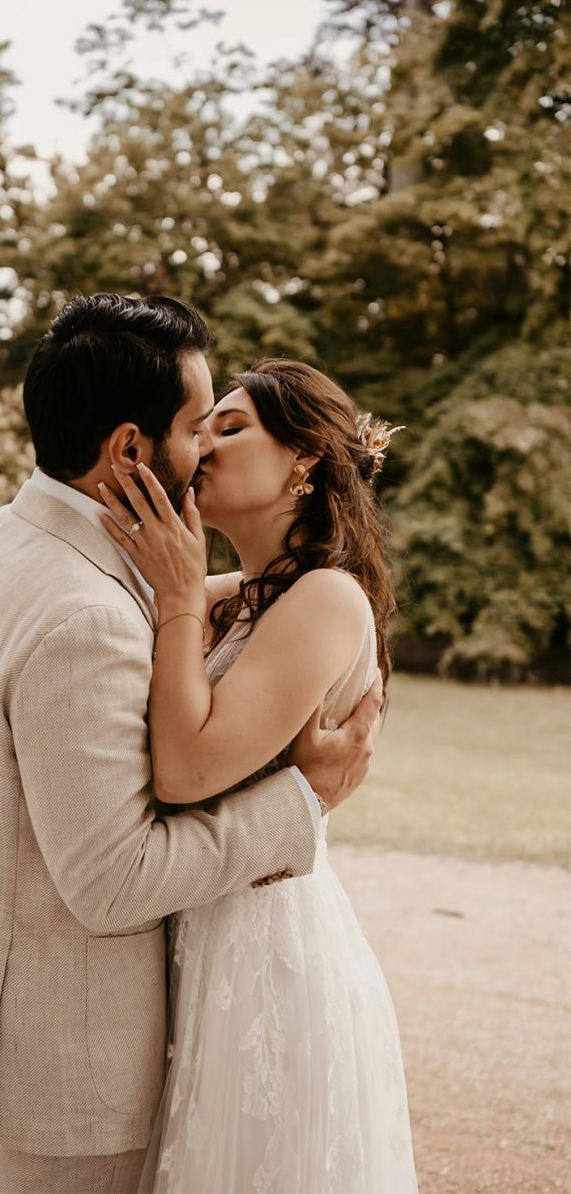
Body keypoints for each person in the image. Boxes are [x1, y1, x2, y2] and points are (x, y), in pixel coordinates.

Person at [0, 295, 382, 1194]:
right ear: (130, 448)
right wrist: (303, 802)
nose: (206, 448)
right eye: (201, 425)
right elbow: (115, 878)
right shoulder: (88, 611)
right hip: (65, 1063)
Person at [100, 357, 418, 1193]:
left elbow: (184, 767)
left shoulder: (327, 597)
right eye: (201, 425)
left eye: (230, 426)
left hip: (269, 958)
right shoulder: (242, 593)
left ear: (306, 457)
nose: (202, 442)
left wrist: (176, 599)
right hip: (204, 930)